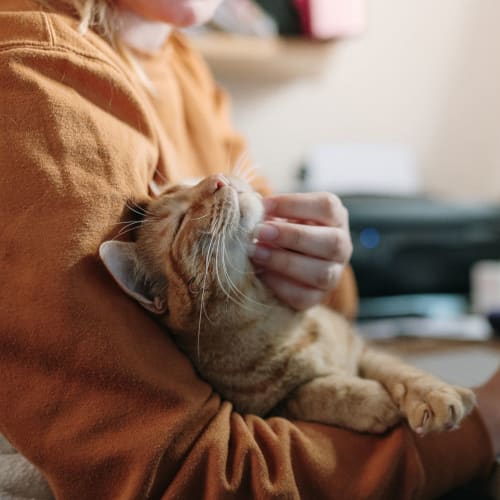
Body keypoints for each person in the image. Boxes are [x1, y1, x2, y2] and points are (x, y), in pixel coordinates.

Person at [0, 0, 497, 498]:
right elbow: (177, 473)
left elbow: (325, 311)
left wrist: (319, 268)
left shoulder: (176, 56)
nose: (215, 185)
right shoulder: (34, 80)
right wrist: (483, 429)